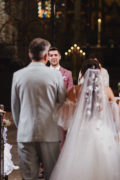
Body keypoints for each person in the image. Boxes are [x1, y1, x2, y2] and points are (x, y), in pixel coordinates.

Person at [50, 59, 120, 180]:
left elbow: (67, 115)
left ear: (82, 73)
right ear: (99, 71)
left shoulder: (75, 91)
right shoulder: (107, 90)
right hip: (102, 131)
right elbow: (115, 116)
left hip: (81, 130)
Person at [11, 38, 66, 180]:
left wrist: (22, 125)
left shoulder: (18, 76)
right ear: (47, 56)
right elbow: (61, 104)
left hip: (26, 133)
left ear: (29, 55)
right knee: (52, 176)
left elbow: (15, 107)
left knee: (28, 177)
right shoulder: (56, 75)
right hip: (50, 134)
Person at [48, 47, 73, 148]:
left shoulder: (67, 73)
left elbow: (70, 92)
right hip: (46, 111)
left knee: (62, 139)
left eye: (55, 55)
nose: (53, 57)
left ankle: (60, 162)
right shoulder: (42, 73)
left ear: (59, 57)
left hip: (62, 112)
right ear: (47, 58)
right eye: (51, 55)